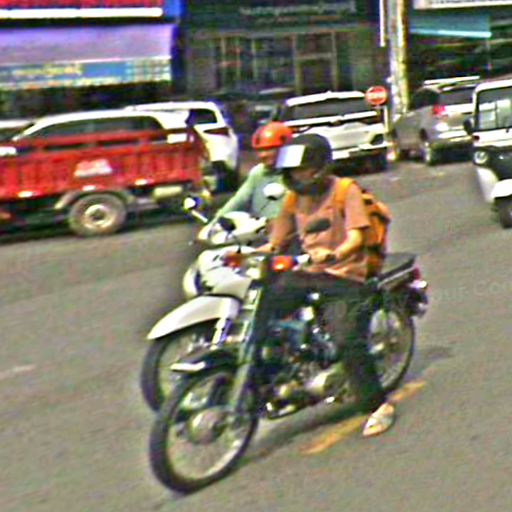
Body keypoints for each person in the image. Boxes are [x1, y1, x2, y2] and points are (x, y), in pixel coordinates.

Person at [260, 133, 395, 437]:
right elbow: (277, 237)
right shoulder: (294, 197)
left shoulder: (345, 191)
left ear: (320, 167)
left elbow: (356, 237)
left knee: (347, 340)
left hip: (346, 275)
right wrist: (258, 251)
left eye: (303, 169)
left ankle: (378, 406)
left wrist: (334, 253)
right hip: (309, 271)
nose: (297, 175)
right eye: (293, 170)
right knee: (265, 307)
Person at [210, 121, 293, 225]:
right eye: (259, 150)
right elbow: (239, 200)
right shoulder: (258, 172)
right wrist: (216, 221)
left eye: (269, 149)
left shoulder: (297, 173)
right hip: (260, 229)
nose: (263, 155)